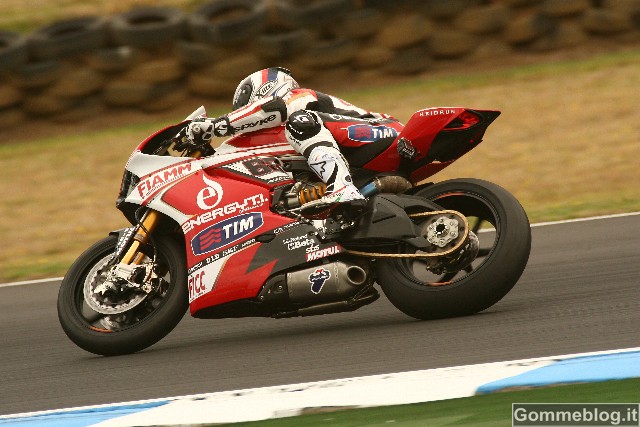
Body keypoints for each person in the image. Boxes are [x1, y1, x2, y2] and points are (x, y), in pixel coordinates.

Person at [175, 67, 399, 217]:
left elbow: (274, 109)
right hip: (367, 156)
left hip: (383, 131)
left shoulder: (297, 98)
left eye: (244, 108)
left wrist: (213, 127)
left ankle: (342, 187)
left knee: (299, 122)